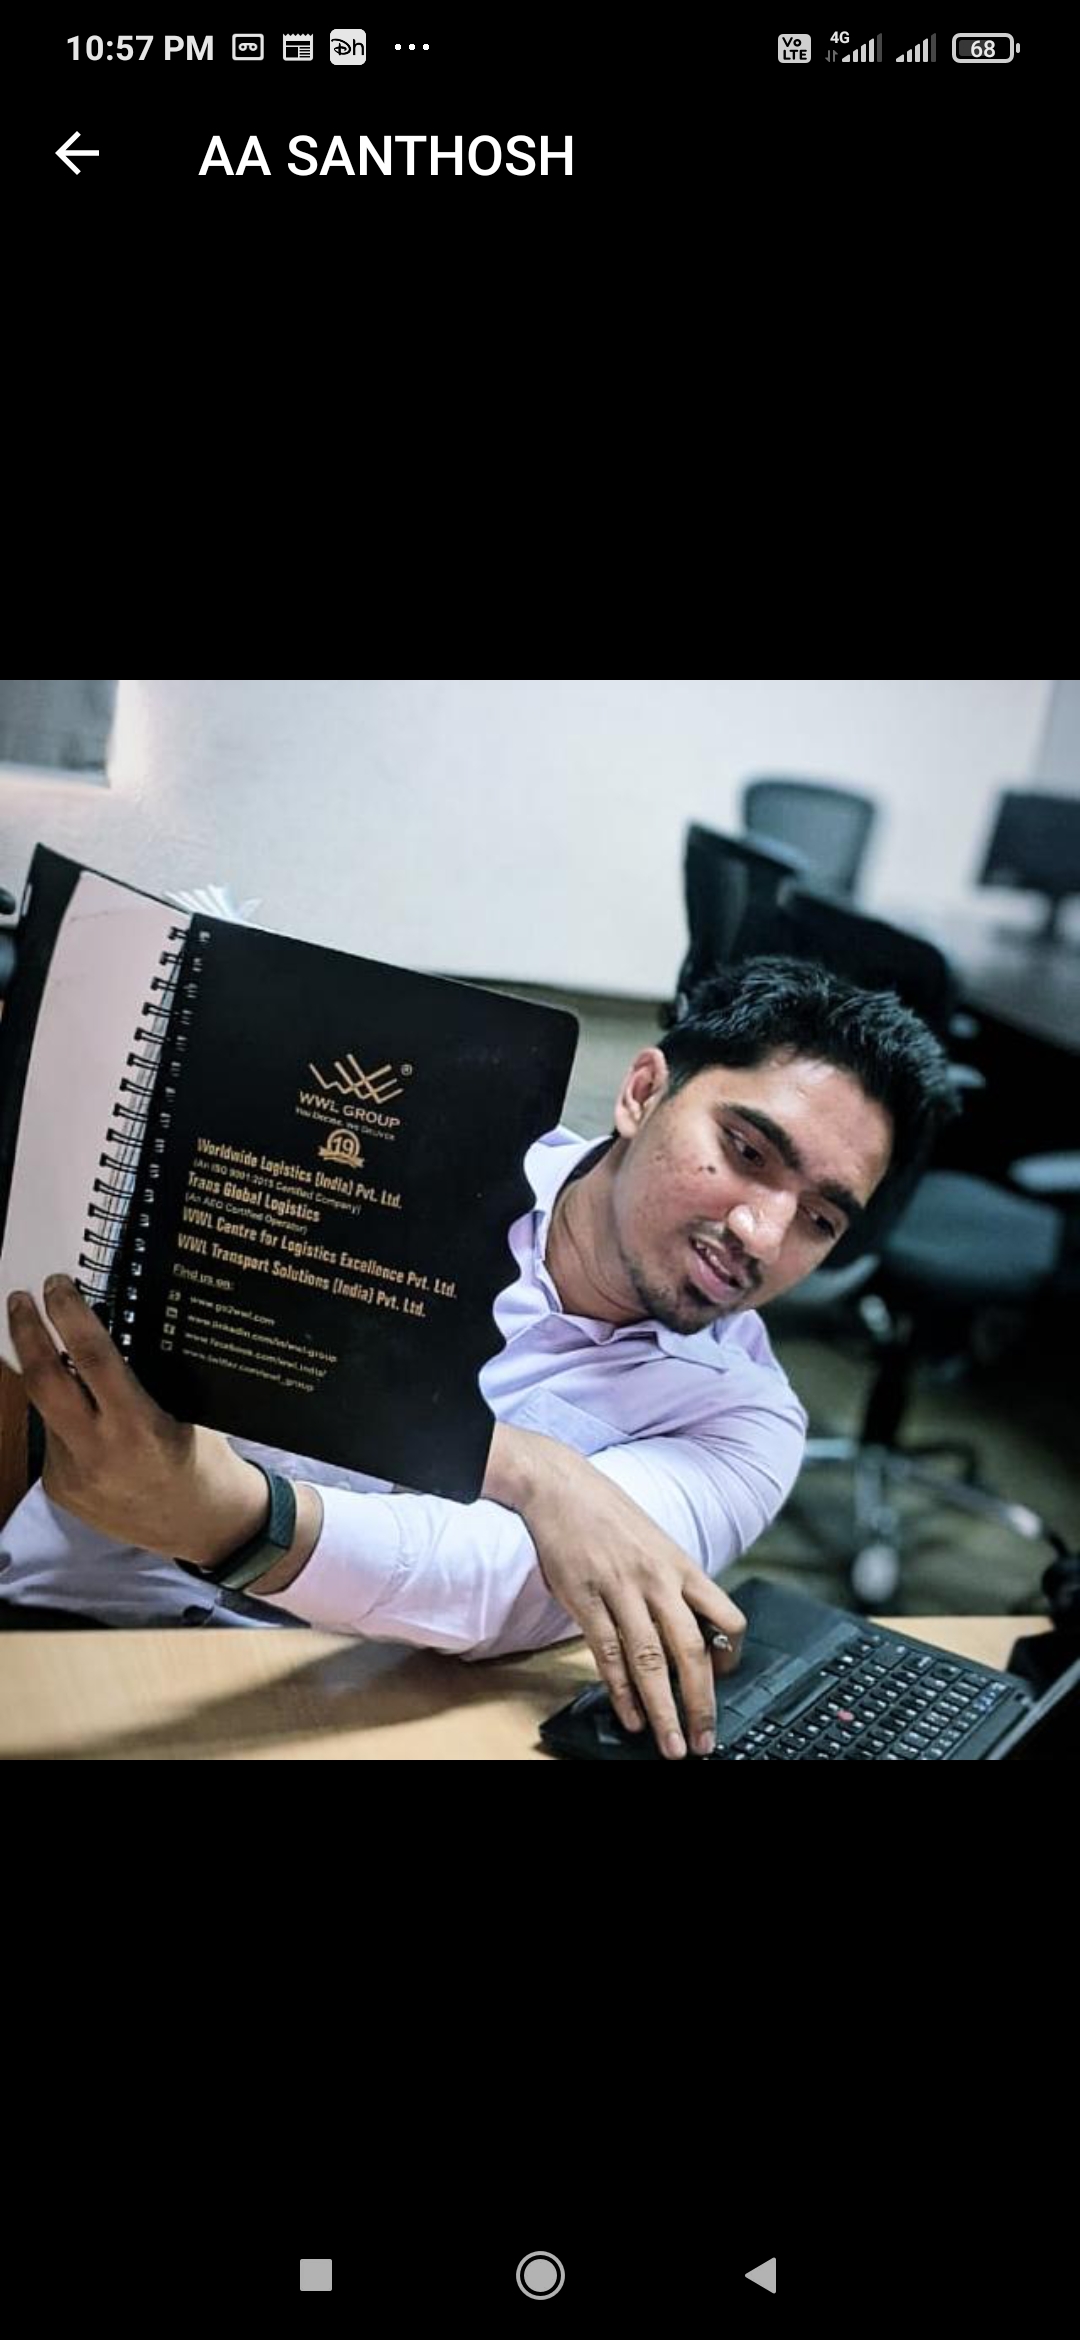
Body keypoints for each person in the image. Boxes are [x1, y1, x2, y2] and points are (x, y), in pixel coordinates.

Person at [0, 957, 954, 1758]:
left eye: (820, 1219)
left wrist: (237, 1520)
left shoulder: (748, 1420)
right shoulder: (414, 1150)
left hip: (364, 1705)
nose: (761, 1232)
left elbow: (502, 1588)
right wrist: (534, 1470)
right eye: (745, 1151)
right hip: (83, 1630)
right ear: (642, 1093)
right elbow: (235, 1353)